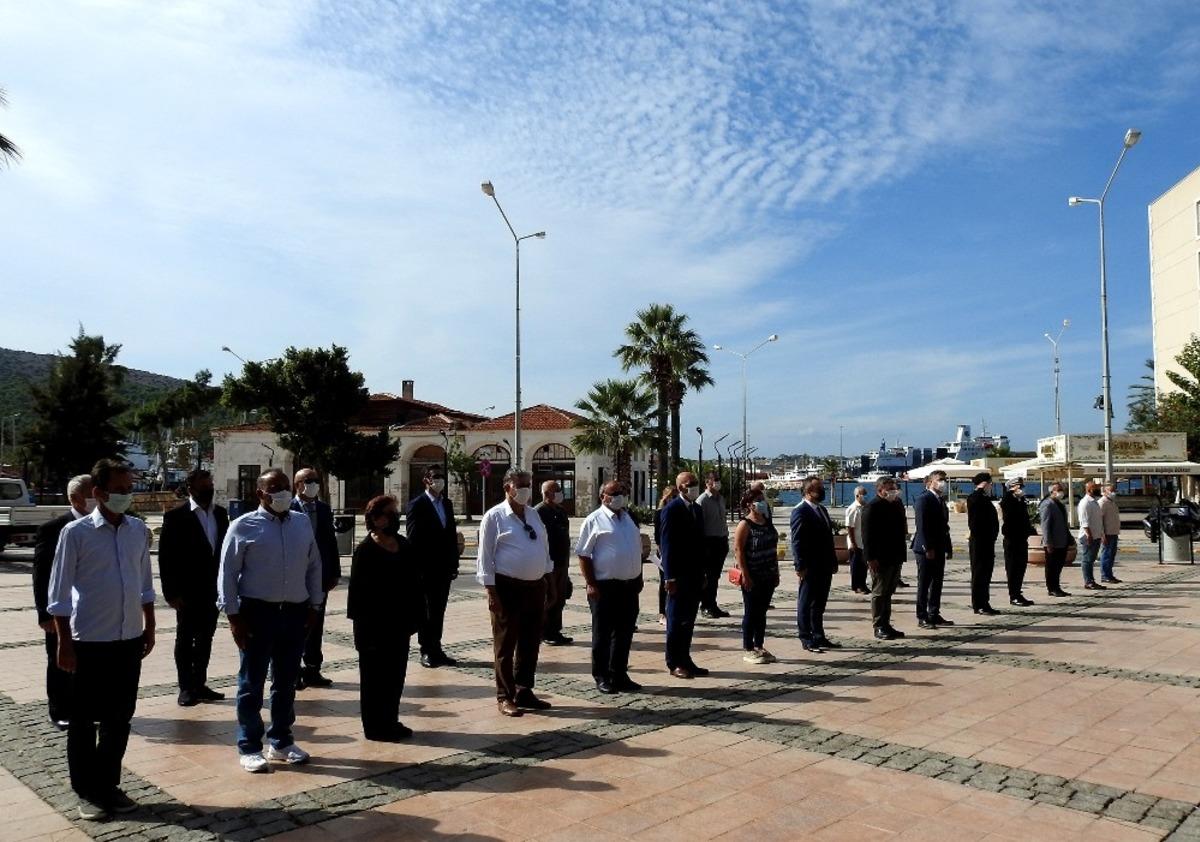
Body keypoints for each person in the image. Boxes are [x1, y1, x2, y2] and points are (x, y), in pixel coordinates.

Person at [47, 459, 155, 820]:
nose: (127, 495)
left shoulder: (138, 531)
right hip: (89, 642)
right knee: (83, 721)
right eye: (120, 490)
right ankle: (86, 790)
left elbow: (144, 585)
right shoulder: (76, 534)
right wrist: (64, 642)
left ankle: (108, 784)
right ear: (99, 493)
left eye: (129, 489)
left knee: (119, 719)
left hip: (127, 640)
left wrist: (149, 626)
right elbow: (59, 593)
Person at [219, 468, 323, 773]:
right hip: (257, 613)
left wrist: (315, 605)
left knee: (287, 680)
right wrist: (233, 616)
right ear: (260, 493)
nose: (282, 493)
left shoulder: (301, 523)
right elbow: (227, 574)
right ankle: (249, 745)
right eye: (274, 488)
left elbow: (313, 564)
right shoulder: (242, 526)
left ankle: (281, 740)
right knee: (251, 682)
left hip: (294, 611)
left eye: (285, 487)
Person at [477, 467, 554, 716]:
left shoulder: (533, 515)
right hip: (507, 587)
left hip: (535, 586)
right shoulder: (494, 516)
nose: (525, 490)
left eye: (528, 485)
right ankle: (504, 695)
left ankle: (524, 689)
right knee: (505, 644)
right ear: (507, 486)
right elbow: (485, 558)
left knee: (530, 642)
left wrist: (550, 584)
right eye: (520, 485)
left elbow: (544, 549)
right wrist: (491, 592)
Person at [349, 495, 423, 741]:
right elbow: (357, 598)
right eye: (390, 513)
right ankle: (375, 726)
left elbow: (415, 584)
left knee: (395, 676)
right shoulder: (365, 551)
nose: (396, 517)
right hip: (373, 628)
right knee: (373, 679)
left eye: (396, 512)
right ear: (376, 519)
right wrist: (362, 633)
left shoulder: (404, 545)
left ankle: (391, 720)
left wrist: (417, 618)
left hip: (399, 625)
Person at [158, 468, 229, 707]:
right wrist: (171, 592)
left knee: (206, 638)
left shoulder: (220, 514)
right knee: (185, 639)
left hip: (213, 589)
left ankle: (200, 683)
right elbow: (166, 558)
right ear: (191, 488)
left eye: (210, 484)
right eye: (203, 485)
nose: (208, 489)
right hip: (187, 591)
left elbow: (225, 552)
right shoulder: (176, 517)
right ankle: (186, 687)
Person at [33, 473, 92, 730]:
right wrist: (44, 615)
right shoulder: (54, 529)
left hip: (90, 612)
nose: (96, 498)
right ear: (75, 498)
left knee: (86, 663)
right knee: (59, 662)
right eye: (90, 494)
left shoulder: (100, 525)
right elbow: (41, 574)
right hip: (61, 611)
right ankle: (58, 710)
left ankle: (84, 705)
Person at [576, 480, 644, 693]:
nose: (620, 496)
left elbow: (635, 549)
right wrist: (590, 583)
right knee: (603, 633)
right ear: (603, 496)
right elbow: (584, 554)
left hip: (629, 586)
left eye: (622, 491)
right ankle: (602, 675)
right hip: (604, 586)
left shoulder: (628, 518)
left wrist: (638, 575)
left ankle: (619, 673)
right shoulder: (594, 520)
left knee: (624, 633)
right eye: (615, 493)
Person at [291, 468, 341, 689]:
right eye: (308, 481)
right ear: (297, 485)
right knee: (293, 625)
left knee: (316, 623)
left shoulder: (323, 509)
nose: (313, 485)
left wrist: (334, 572)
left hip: (319, 576)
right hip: (293, 577)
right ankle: (292, 671)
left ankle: (313, 669)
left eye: (315, 481)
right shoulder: (289, 509)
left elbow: (331, 543)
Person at [406, 468, 461, 668]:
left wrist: (454, 563)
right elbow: (412, 538)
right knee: (426, 610)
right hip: (425, 567)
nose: (439, 481)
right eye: (435, 478)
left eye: (441, 477)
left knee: (439, 609)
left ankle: (436, 648)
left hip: (444, 567)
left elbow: (451, 534)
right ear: (426, 481)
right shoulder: (417, 504)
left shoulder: (446, 503)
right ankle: (426, 650)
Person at [660, 471, 708, 679]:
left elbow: (700, 543)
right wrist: (669, 577)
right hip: (678, 575)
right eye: (691, 484)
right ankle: (674, 662)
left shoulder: (697, 508)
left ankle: (686, 658)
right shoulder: (671, 509)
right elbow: (667, 545)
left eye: (696, 483)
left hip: (695, 574)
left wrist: (704, 572)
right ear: (680, 487)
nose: (694, 486)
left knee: (688, 620)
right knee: (676, 620)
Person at [790, 476, 839, 652]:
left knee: (819, 603)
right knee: (806, 602)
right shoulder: (800, 511)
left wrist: (833, 560)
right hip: (810, 565)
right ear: (809, 491)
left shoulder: (821, 510)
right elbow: (797, 541)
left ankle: (819, 635)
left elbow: (828, 538)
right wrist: (800, 566)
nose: (822, 490)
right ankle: (806, 637)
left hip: (824, 564)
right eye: (819, 488)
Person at [733, 487, 779, 663]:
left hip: (768, 573)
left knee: (762, 612)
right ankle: (748, 647)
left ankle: (759, 644)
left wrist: (776, 572)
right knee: (751, 612)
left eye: (762, 499)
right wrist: (745, 574)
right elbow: (738, 550)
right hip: (753, 573)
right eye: (758, 499)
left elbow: (773, 548)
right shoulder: (745, 524)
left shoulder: (767, 522)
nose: (762, 502)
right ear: (749, 504)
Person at [862, 476, 907, 640]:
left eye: (894, 488)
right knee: (879, 592)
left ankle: (887, 623)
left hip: (895, 556)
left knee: (888, 592)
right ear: (880, 490)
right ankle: (879, 625)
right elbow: (866, 535)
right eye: (889, 488)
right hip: (880, 558)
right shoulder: (872, 507)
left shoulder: (895, 504)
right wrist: (870, 558)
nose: (893, 491)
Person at [912, 470, 953, 630]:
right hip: (925, 548)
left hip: (939, 546)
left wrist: (947, 547)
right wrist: (927, 547)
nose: (943, 482)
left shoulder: (940, 500)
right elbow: (921, 526)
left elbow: (944, 527)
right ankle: (922, 616)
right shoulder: (924, 499)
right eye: (940, 479)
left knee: (937, 582)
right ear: (930, 482)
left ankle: (934, 612)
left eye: (944, 479)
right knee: (924, 583)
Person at [537, 479, 574, 645]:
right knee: (549, 598)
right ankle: (545, 632)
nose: (560, 492)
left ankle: (555, 630)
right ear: (546, 494)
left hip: (562, 562)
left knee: (560, 597)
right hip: (548, 564)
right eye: (556, 490)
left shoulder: (560, 510)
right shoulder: (539, 512)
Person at [697, 472, 730, 618]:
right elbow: (699, 524)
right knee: (708, 576)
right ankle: (705, 606)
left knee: (715, 576)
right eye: (714, 480)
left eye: (718, 480)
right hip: (708, 542)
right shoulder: (702, 500)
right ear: (707, 483)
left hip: (721, 540)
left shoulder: (720, 499)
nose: (717, 483)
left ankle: (712, 604)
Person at [966, 472, 999, 615]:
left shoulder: (984, 498)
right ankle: (978, 604)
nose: (991, 486)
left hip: (987, 541)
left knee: (986, 573)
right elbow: (974, 522)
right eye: (990, 483)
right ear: (985, 483)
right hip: (980, 541)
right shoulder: (976, 497)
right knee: (979, 573)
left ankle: (985, 602)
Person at [999, 478, 1036, 606]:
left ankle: (1018, 593)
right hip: (1012, 539)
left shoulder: (1020, 500)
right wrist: (1012, 495)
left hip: (1021, 539)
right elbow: (1010, 515)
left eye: (1021, 486)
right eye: (1018, 486)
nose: (1021, 489)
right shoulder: (1008, 500)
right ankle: (1013, 595)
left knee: (1021, 567)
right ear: (1011, 487)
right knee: (1013, 568)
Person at [1039, 482, 1072, 597]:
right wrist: (1048, 543)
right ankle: (1051, 588)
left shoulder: (1060, 504)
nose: (1061, 492)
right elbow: (1045, 525)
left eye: (1062, 489)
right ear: (1052, 491)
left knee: (1058, 566)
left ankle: (1057, 587)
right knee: (1051, 566)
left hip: (1062, 541)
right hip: (1053, 542)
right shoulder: (1047, 504)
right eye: (1058, 489)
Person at [653, 485, 677, 626]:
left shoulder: (679, 512)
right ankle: (663, 612)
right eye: (671, 496)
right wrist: (663, 553)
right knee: (664, 582)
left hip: (676, 551)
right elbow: (658, 536)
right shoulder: (660, 513)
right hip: (664, 552)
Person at [1077, 481, 1105, 591]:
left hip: (1096, 535)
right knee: (1087, 559)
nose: (1098, 489)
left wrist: (1101, 534)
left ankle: (1091, 580)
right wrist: (1089, 535)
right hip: (1088, 536)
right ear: (1089, 489)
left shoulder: (1094, 502)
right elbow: (1084, 521)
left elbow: (1097, 520)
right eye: (1095, 488)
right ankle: (1088, 581)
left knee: (1091, 559)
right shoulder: (1085, 503)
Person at [844, 485, 869, 594]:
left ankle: (863, 584)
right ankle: (856, 586)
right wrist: (853, 543)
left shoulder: (865, 507)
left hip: (864, 542)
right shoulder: (853, 508)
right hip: (856, 542)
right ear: (857, 495)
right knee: (856, 566)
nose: (865, 497)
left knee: (864, 566)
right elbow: (849, 527)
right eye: (863, 494)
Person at [1099, 482, 1123, 584]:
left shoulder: (1112, 502)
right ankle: (1105, 575)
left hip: (1114, 532)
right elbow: (1099, 520)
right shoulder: (1102, 502)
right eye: (1111, 490)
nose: (1113, 492)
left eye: (1114, 490)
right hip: (1107, 533)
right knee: (1106, 554)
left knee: (1111, 554)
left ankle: (1109, 574)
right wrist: (1102, 534)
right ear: (1104, 491)